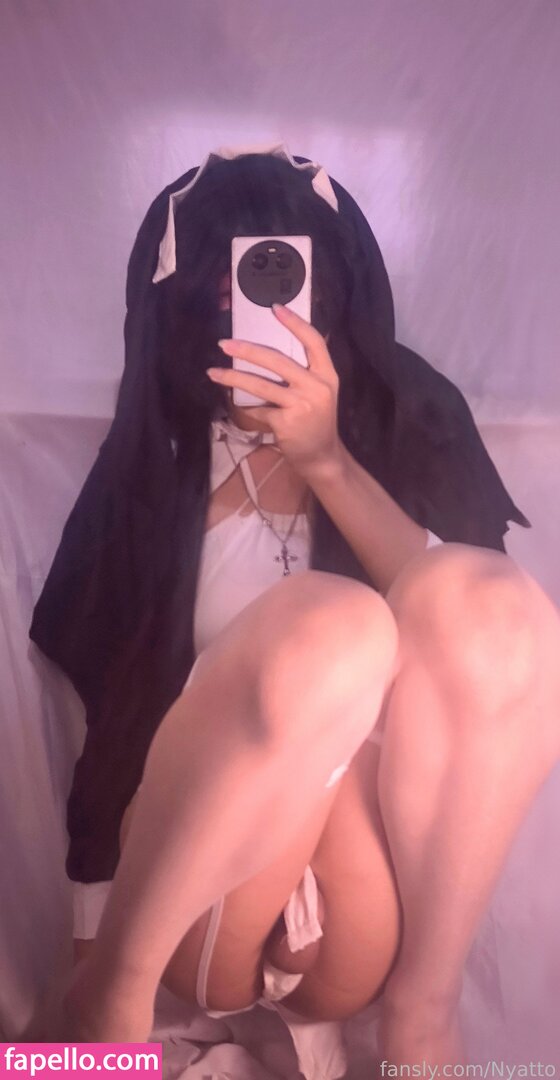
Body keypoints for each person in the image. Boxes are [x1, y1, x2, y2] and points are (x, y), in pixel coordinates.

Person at [26, 145, 560, 1070]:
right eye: (227, 287)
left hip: (364, 909)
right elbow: (110, 710)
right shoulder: (157, 461)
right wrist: (89, 951)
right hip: (206, 887)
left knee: (492, 604)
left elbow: (462, 642)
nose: (256, 312)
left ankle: (424, 1016)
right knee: (335, 626)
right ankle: (105, 995)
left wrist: (325, 460)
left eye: (284, 279)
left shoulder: (396, 421)